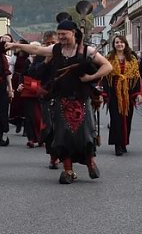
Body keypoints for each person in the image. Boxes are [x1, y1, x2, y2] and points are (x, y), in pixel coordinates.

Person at [11, 20, 113, 184]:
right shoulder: (56, 50)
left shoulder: (87, 51)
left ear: (73, 33)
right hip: (61, 100)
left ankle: (90, 163)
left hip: (81, 100)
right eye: (59, 34)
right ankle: (68, 170)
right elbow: (36, 49)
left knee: (85, 135)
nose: (61, 37)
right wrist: (15, 45)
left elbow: (108, 66)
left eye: (64, 34)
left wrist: (90, 77)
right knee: (62, 136)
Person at [103, 35, 142, 156]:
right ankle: (117, 145)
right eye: (117, 42)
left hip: (128, 94)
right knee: (115, 120)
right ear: (114, 44)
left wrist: (138, 94)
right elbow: (104, 76)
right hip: (114, 93)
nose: (119, 44)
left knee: (127, 119)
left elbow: (137, 77)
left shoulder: (132, 59)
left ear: (125, 44)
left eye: (121, 42)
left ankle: (124, 142)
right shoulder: (109, 58)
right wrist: (103, 94)